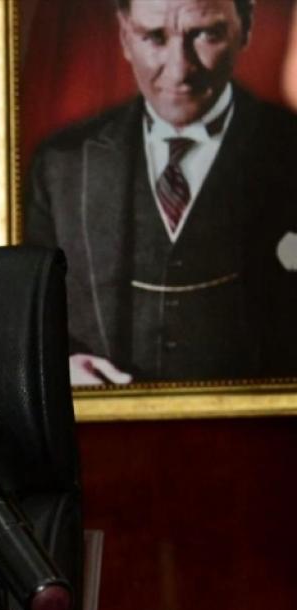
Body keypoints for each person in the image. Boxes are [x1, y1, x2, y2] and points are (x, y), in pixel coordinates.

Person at [25, 0, 297, 385]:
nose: (179, 69)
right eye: (154, 37)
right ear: (124, 36)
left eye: (206, 34)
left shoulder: (288, 149)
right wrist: (60, 366)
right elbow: (26, 321)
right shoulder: (61, 164)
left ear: (246, 28)